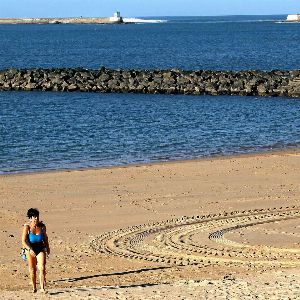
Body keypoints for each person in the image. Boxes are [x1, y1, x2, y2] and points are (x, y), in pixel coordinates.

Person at [22, 208, 50, 293]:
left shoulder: (42, 226)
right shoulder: (27, 227)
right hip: (30, 248)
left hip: (40, 247)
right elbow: (23, 241)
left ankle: (42, 288)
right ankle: (34, 288)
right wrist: (29, 249)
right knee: (32, 269)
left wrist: (47, 247)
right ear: (30, 218)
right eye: (34, 217)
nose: (36, 218)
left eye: (37, 216)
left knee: (42, 268)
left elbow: (45, 238)